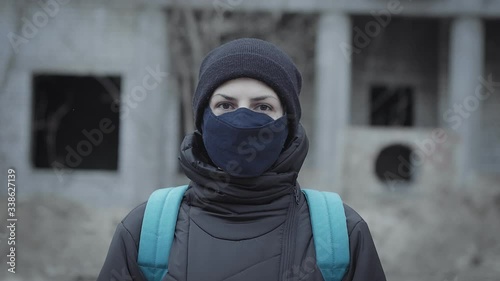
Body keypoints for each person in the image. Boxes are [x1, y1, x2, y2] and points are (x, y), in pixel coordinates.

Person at [97, 38, 386, 281]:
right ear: (203, 121)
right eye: (225, 105)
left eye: (263, 106)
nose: (243, 119)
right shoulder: (145, 230)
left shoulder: (341, 236)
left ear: (287, 124)